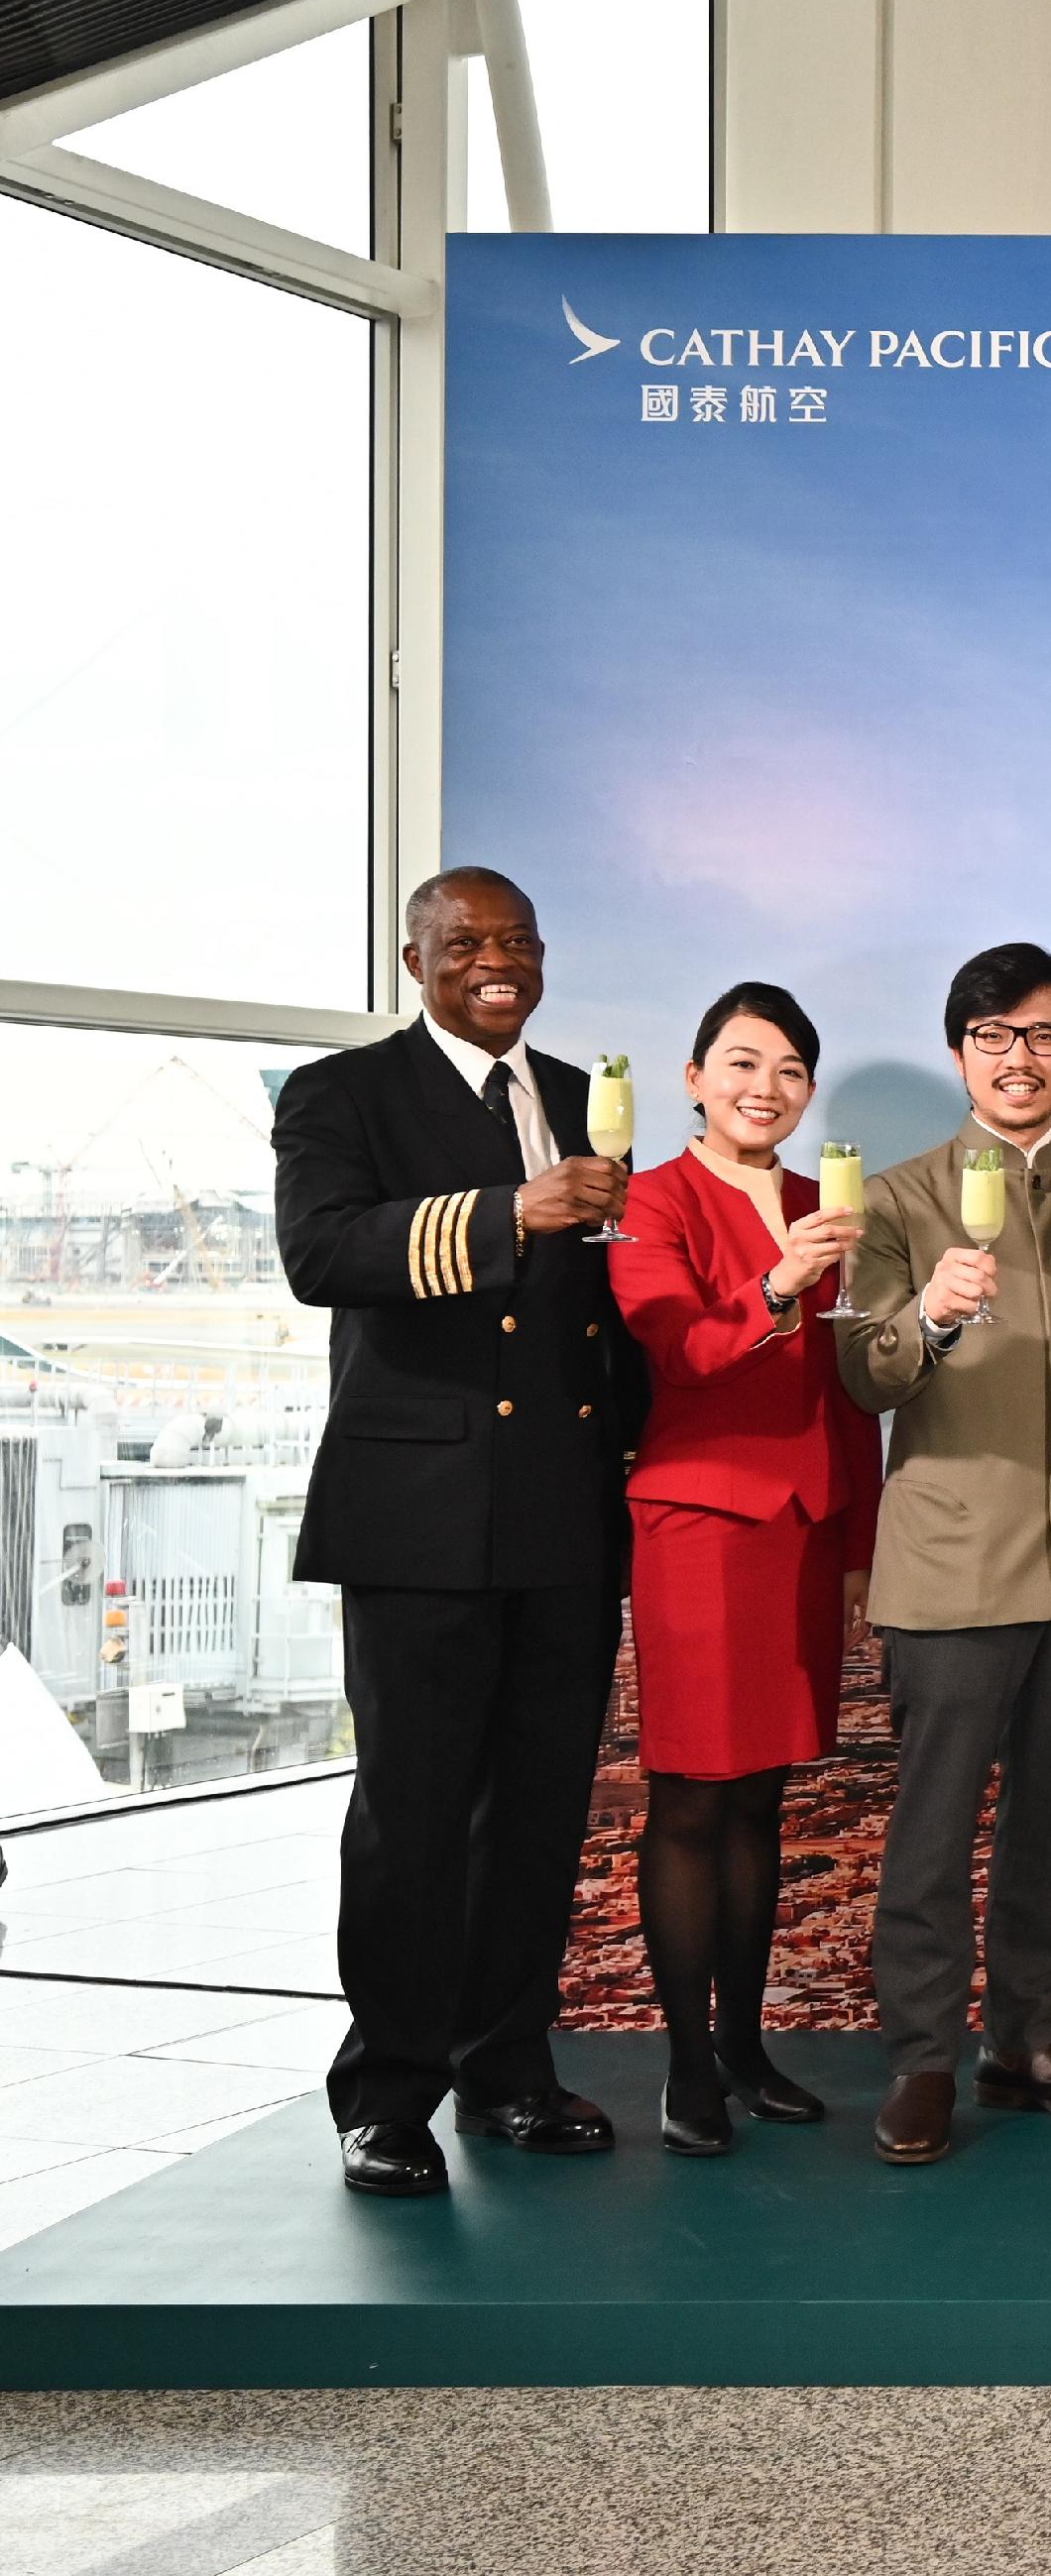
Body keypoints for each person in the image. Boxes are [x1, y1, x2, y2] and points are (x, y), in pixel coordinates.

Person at [272, 867, 641, 2196]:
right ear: (416, 956)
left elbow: (601, 1317)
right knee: (411, 1816)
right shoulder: (343, 1091)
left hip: (560, 1508)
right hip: (417, 1512)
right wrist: (508, 1213)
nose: (498, 961)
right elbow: (321, 1252)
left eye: (520, 941)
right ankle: (387, 2092)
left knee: (539, 1813)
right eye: (468, 943)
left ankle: (508, 2069)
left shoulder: (580, 1099)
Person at [837, 944, 1051, 2167]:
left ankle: (1024, 2041)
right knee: (931, 1831)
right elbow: (860, 1374)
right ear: (959, 1049)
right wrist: (926, 1316)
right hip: (954, 1564)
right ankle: (921, 2058)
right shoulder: (898, 1200)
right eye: (994, 1036)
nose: (1019, 1058)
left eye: (1044, 1036)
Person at [604, 982, 879, 2157]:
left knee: (767, 1791)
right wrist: (776, 1284)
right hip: (701, 1524)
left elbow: (850, 1391)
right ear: (693, 1080)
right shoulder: (649, 1203)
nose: (765, 1088)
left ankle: (744, 2046)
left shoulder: (830, 1204)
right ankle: (681, 2066)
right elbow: (680, 1350)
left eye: (789, 1071)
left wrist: (860, 1543)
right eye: (742, 1063)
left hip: (806, 1524)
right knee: (691, 1795)